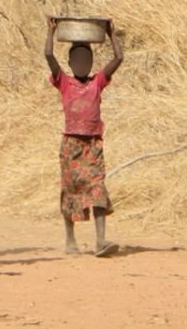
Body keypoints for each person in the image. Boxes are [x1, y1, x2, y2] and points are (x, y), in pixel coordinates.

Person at [44, 17, 124, 258]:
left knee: (98, 188)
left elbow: (118, 59)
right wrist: (51, 31)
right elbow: (48, 55)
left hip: (92, 143)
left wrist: (111, 34)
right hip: (71, 143)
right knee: (70, 190)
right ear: (70, 62)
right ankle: (70, 239)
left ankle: (101, 241)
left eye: (86, 60)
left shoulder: (97, 82)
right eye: (77, 60)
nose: (82, 64)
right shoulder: (64, 82)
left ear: (91, 62)